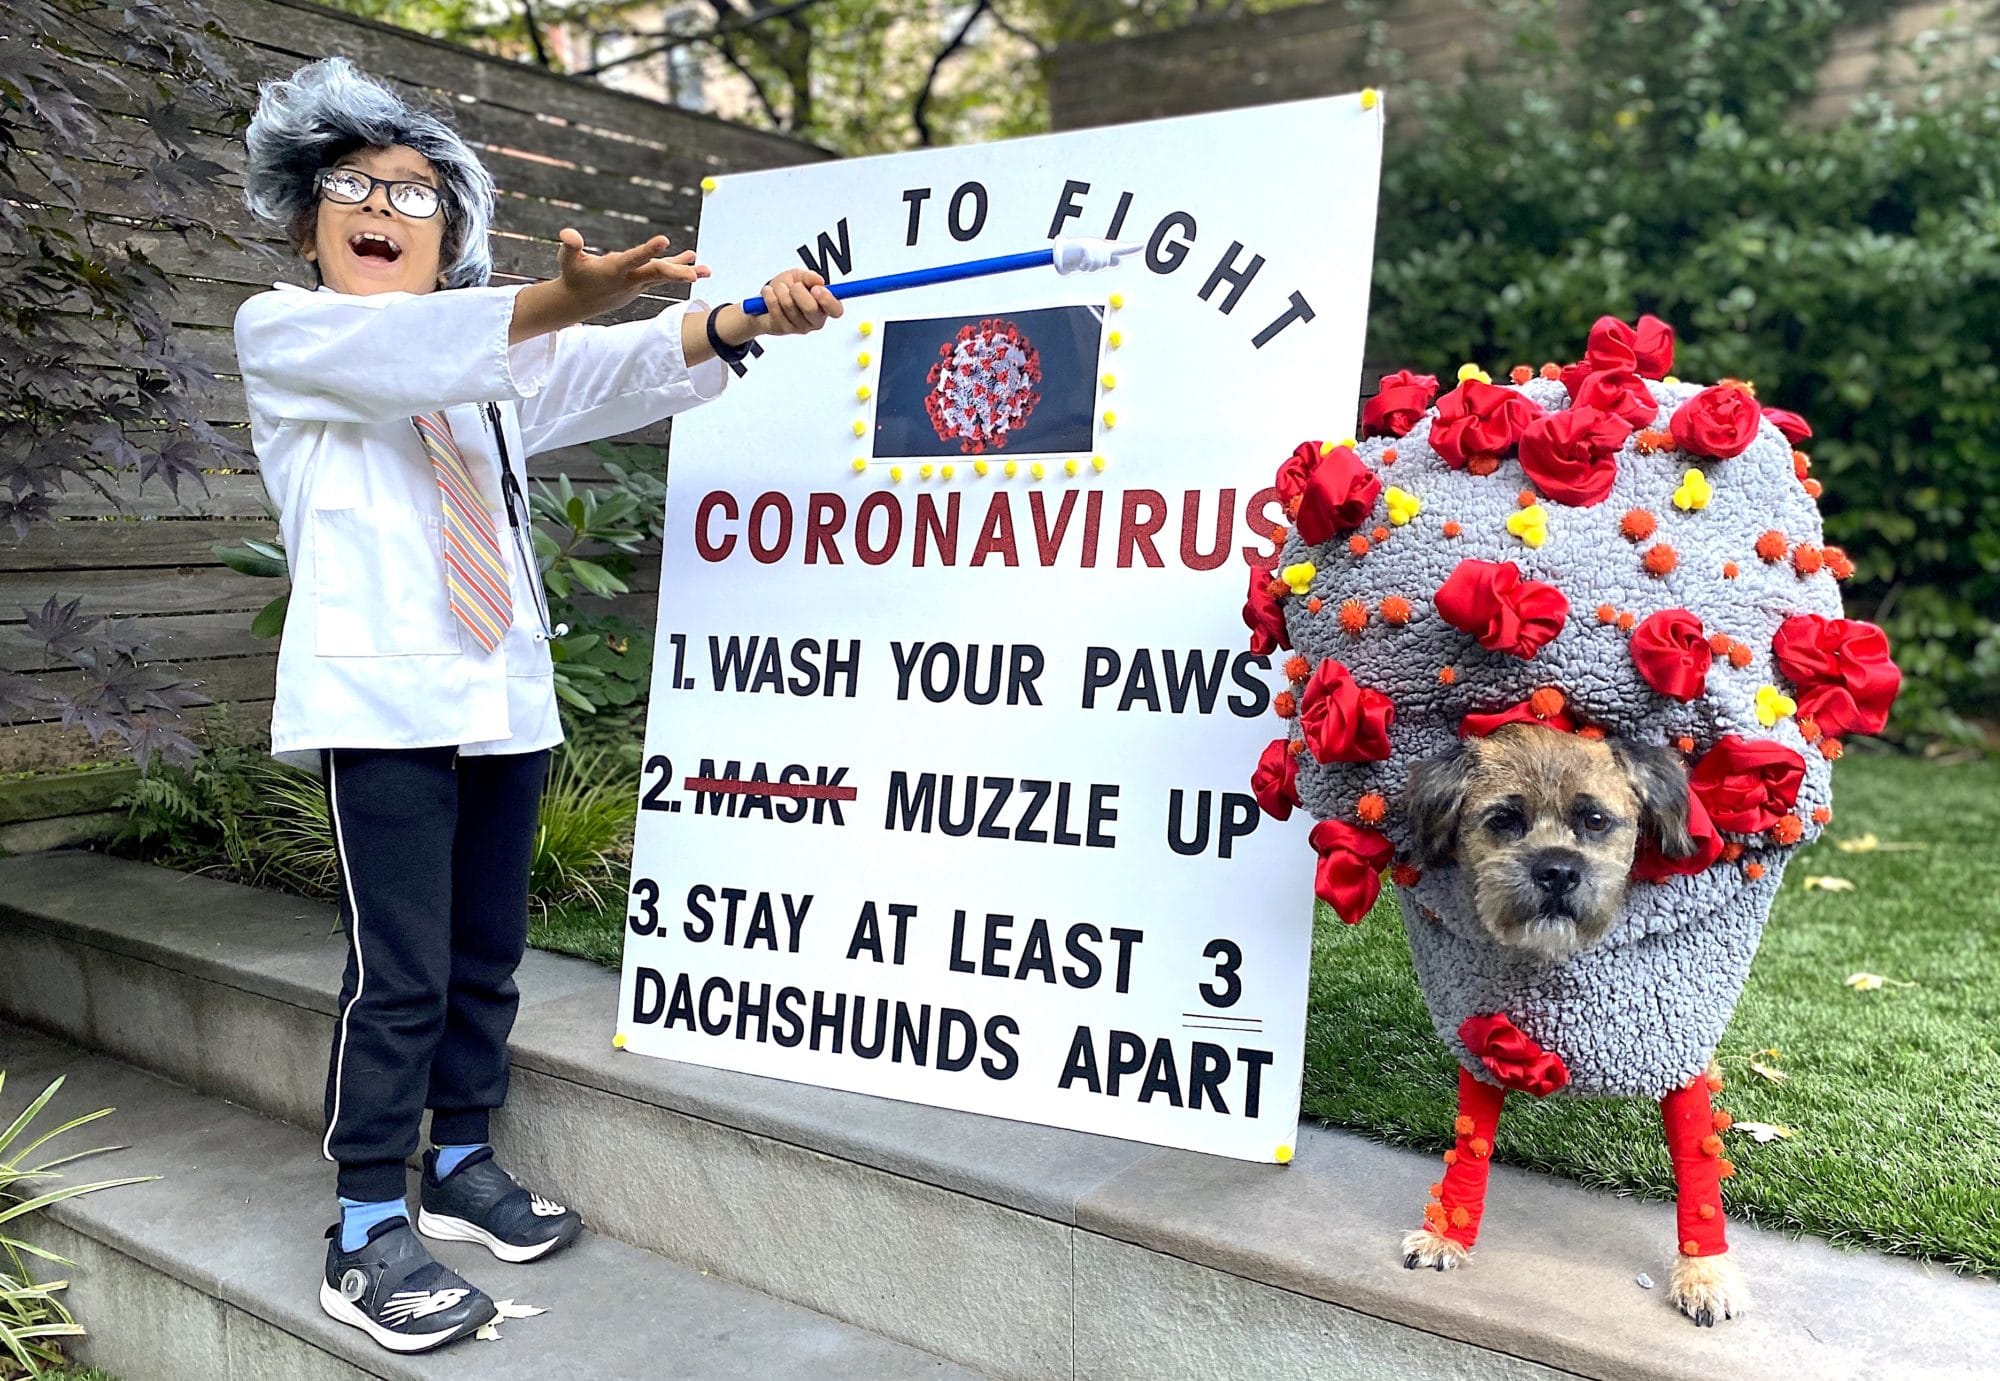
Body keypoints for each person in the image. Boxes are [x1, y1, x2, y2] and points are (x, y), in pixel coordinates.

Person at [233, 56, 839, 1354]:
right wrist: (563, 293)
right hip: (384, 709)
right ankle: (358, 1225)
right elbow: (438, 344)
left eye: (413, 190)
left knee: (483, 953)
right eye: (354, 185)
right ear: (305, 219)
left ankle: (459, 1159)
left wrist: (737, 325)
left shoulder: (482, 367)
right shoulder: (290, 337)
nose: (382, 204)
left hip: (501, 694)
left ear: (451, 224)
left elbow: (612, 368)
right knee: (396, 976)